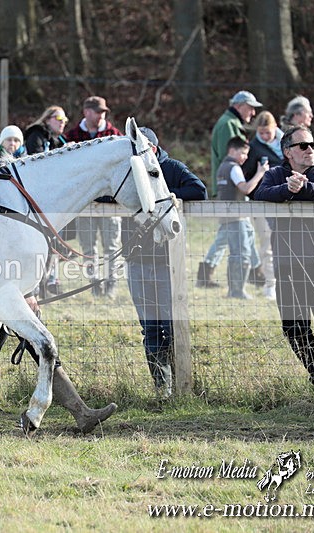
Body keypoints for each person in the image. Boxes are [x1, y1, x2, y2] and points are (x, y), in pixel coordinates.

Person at [0, 293, 117, 436]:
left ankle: (82, 413)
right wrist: (27, 293)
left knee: (40, 350)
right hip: (2, 297)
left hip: (6, 296)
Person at [254, 125, 314, 387]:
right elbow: (260, 195)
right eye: (303, 146)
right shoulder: (275, 175)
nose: (310, 150)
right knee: (293, 325)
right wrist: (288, 189)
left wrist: (304, 189)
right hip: (288, 261)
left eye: (313, 145)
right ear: (287, 152)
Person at [122, 128, 207, 398]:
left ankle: (180, 382)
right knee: (149, 328)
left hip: (167, 262)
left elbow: (199, 190)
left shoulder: (171, 168)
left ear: (154, 150)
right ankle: (162, 387)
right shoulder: (127, 173)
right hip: (136, 259)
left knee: (170, 325)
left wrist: (162, 196)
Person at [197, 90, 265, 289]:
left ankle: (253, 270)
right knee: (234, 231)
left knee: (238, 231)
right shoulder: (228, 124)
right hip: (231, 189)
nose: (252, 113)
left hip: (230, 187)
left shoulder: (230, 122)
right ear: (239, 105)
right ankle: (252, 272)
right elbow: (232, 160)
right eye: (250, 107)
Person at [64, 96, 123, 298]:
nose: (101, 115)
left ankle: (111, 283)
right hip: (85, 202)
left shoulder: (114, 135)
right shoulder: (72, 136)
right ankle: (94, 283)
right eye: (97, 111)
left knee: (111, 245)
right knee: (88, 246)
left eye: (103, 112)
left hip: (110, 200)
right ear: (86, 112)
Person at [215, 137, 268, 299]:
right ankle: (238, 291)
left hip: (226, 217)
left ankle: (235, 289)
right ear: (232, 151)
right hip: (237, 218)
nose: (245, 157)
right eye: (243, 153)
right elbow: (245, 188)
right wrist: (260, 174)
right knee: (242, 254)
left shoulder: (221, 168)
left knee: (235, 254)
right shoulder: (234, 168)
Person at [24, 105, 69, 295]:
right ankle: (35, 284)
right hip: (37, 198)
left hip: (54, 199)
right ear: (47, 119)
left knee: (53, 244)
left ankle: (47, 281)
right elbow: (39, 163)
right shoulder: (37, 135)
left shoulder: (60, 140)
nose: (62, 122)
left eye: (65, 120)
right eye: (58, 118)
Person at [242, 111, 285, 299]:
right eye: (261, 132)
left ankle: (290, 281)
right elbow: (246, 175)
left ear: (275, 127)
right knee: (267, 244)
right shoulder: (254, 148)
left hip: (287, 200)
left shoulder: (288, 143)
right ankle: (270, 285)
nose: (265, 136)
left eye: (268, 132)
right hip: (262, 203)